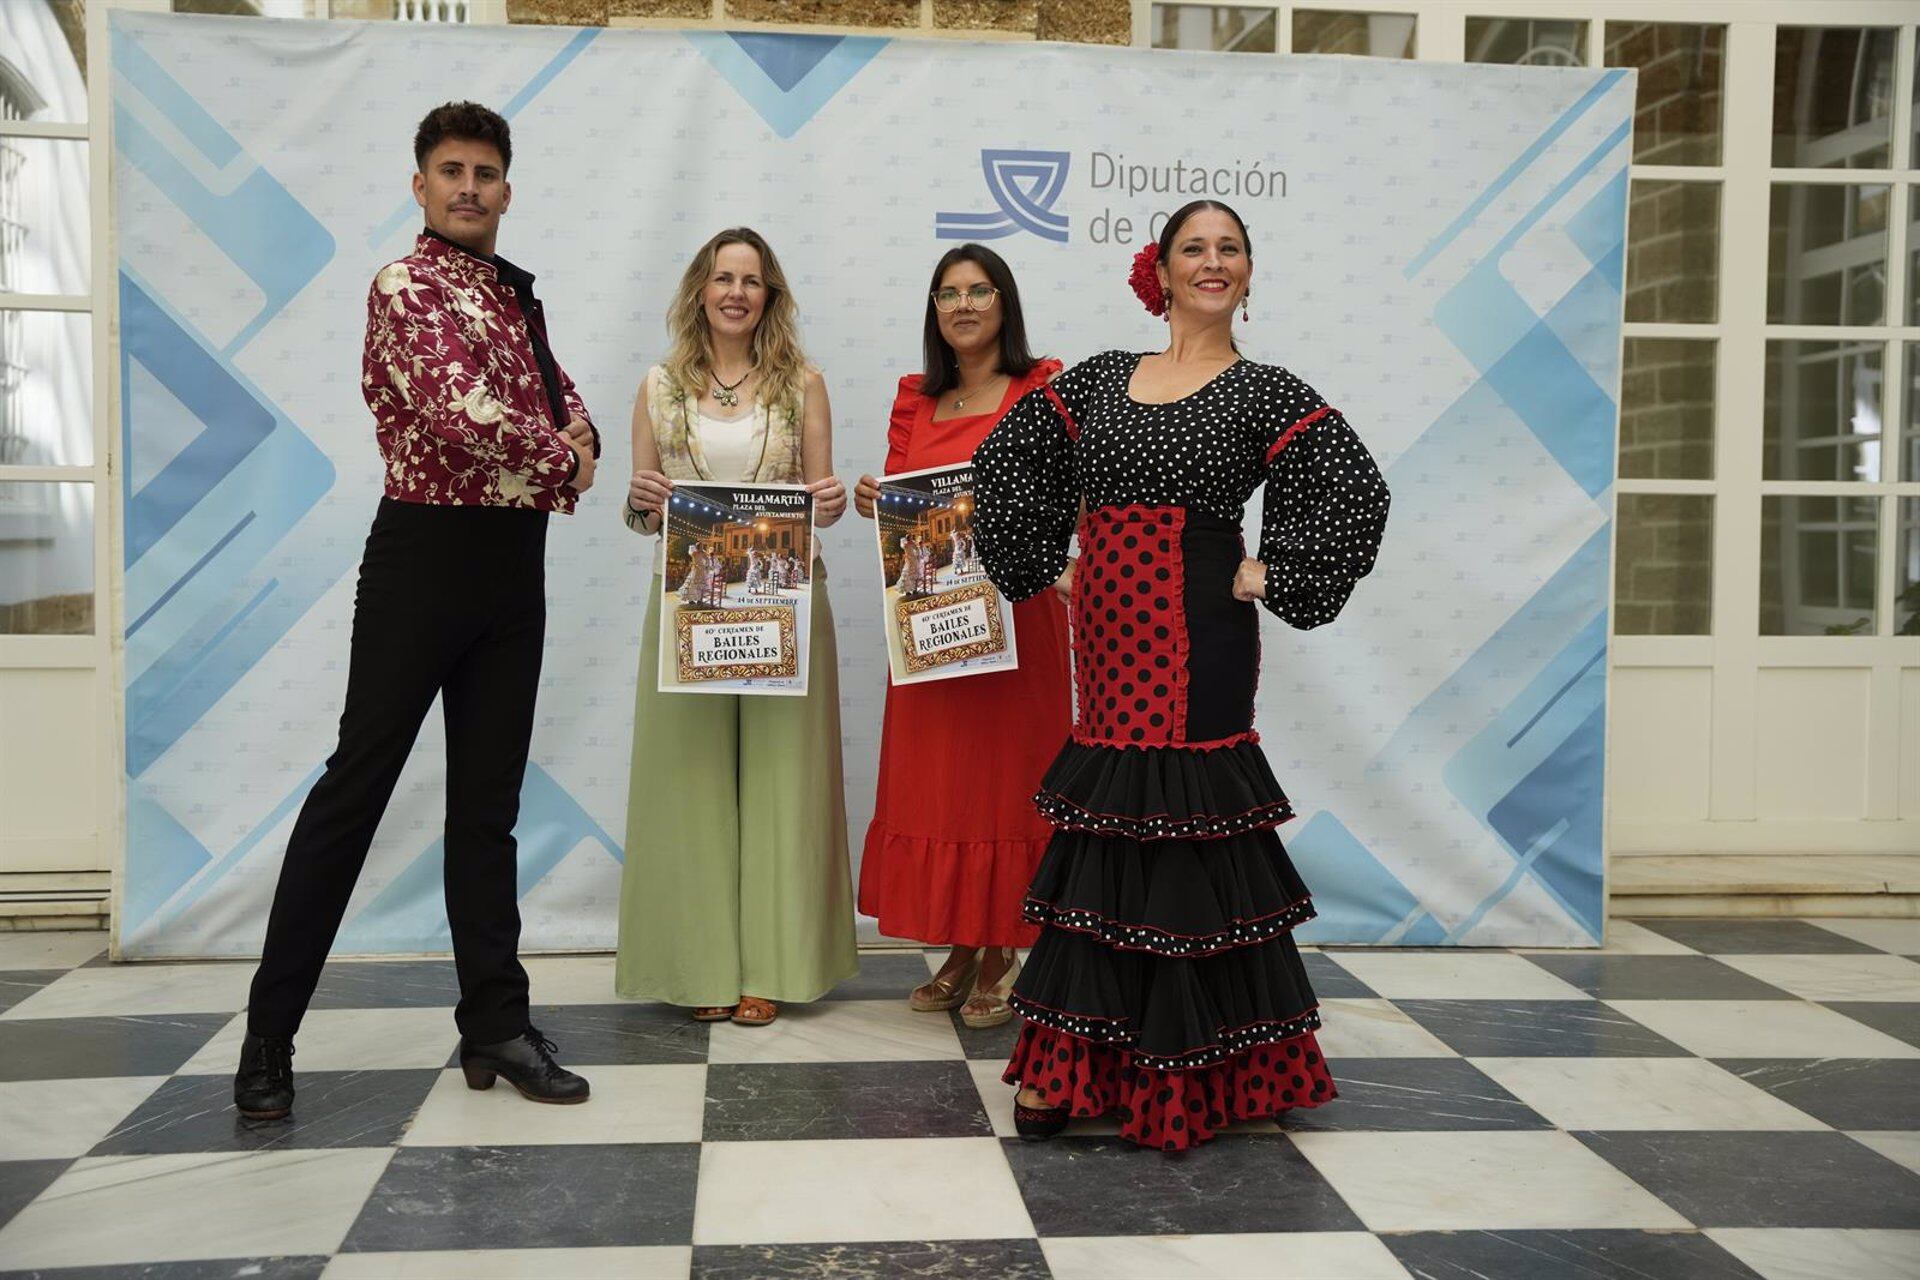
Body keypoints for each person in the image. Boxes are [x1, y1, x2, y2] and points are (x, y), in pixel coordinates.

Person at [973, 200, 1390, 1148]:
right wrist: (1050, 563)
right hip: (1111, 638)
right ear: (1156, 273)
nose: (1212, 262)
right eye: (1193, 249)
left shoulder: (1264, 391)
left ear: (1248, 273)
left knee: (1190, 821)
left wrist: (1272, 568)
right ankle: (1068, 1068)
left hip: (1204, 636)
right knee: (1111, 823)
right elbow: (1005, 462)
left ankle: (1205, 1070)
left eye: (1229, 249)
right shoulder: (1101, 379)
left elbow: (1356, 488)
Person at [235, 102, 599, 1121]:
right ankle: (269, 1033)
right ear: (422, 185)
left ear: (507, 190)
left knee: (488, 810)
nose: (470, 186)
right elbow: (457, 411)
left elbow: (579, 413)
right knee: (354, 790)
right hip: (424, 558)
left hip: (510, 570)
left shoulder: (514, 298)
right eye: (452, 169)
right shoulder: (406, 285)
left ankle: (494, 1019)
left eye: (486, 171)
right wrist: (559, 457)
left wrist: (566, 449)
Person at [617, 228, 856, 1027]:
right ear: (700, 289)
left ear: (770, 297)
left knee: (784, 782)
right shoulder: (656, 385)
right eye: (723, 277)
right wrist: (643, 499)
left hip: (783, 603)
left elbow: (821, 496)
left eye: (752, 281)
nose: (736, 292)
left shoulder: (804, 384)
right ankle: (701, 966)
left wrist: (826, 503)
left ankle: (771, 967)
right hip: (689, 603)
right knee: (688, 784)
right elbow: (638, 515)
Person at [853, 244, 1073, 1029]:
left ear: (1004, 304)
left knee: (1006, 783)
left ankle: (1002, 948)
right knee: (941, 785)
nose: (965, 305)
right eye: (948, 294)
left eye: (980, 291)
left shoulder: (1042, 387)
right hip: (932, 629)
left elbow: (1066, 498)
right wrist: (874, 496)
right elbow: (904, 504)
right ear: (934, 313)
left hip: (1017, 621)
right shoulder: (915, 400)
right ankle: (959, 943)